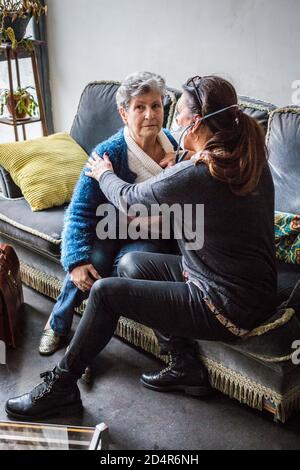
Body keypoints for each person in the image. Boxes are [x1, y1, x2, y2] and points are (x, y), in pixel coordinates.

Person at [6, 75, 277, 420]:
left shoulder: (198, 173)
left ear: (194, 123)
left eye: (174, 113)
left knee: (105, 293)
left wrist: (104, 173)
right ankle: (184, 365)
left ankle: (60, 387)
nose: (168, 119)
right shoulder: (248, 159)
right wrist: (178, 160)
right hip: (246, 289)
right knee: (132, 263)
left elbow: (132, 201)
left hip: (224, 304)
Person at [38, 71, 179, 357]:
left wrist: (179, 164)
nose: (150, 114)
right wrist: (75, 261)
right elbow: (79, 212)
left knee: (124, 268)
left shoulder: (173, 147)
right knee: (93, 262)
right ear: (124, 113)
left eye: (156, 105)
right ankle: (58, 322)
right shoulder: (108, 153)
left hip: (151, 235)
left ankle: (86, 346)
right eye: (140, 107)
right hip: (110, 228)